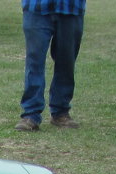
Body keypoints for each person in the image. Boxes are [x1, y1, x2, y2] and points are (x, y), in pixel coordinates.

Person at [16, 0, 86, 131]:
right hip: (36, 7)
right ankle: (31, 114)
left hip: (71, 8)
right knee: (34, 62)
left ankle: (61, 112)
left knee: (66, 63)